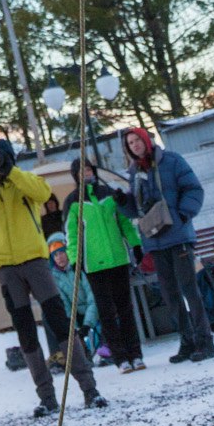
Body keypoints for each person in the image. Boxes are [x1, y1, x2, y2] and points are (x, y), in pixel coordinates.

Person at [0, 138, 105, 418]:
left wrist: (12, 172)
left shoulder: (24, 180)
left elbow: (43, 194)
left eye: (2, 157)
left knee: (59, 322)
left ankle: (90, 389)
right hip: (6, 267)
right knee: (26, 331)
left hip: (35, 262)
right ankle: (47, 397)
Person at [123, 126, 214, 363]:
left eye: (136, 141)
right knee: (170, 294)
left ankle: (205, 341)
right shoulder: (134, 173)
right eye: (130, 143)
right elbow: (136, 208)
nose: (134, 146)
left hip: (178, 236)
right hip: (154, 241)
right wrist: (123, 203)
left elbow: (194, 188)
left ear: (146, 140)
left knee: (189, 290)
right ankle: (187, 341)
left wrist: (184, 214)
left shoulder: (171, 161)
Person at [63, 159, 145, 373]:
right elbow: (71, 234)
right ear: (76, 176)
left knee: (125, 308)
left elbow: (124, 221)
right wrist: (75, 259)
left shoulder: (108, 192)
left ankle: (135, 354)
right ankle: (120, 358)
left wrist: (135, 244)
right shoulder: (73, 202)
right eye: (82, 172)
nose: (87, 174)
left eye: (89, 169)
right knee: (106, 312)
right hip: (94, 264)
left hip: (118, 258)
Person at [44, 233, 101, 357]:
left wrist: (87, 324)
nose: (59, 257)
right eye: (55, 255)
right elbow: (66, 306)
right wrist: (75, 329)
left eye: (62, 252)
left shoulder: (79, 268)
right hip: (78, 315)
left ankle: (103, 348)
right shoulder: (55, 277)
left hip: (93, 311)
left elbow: (93, 297)